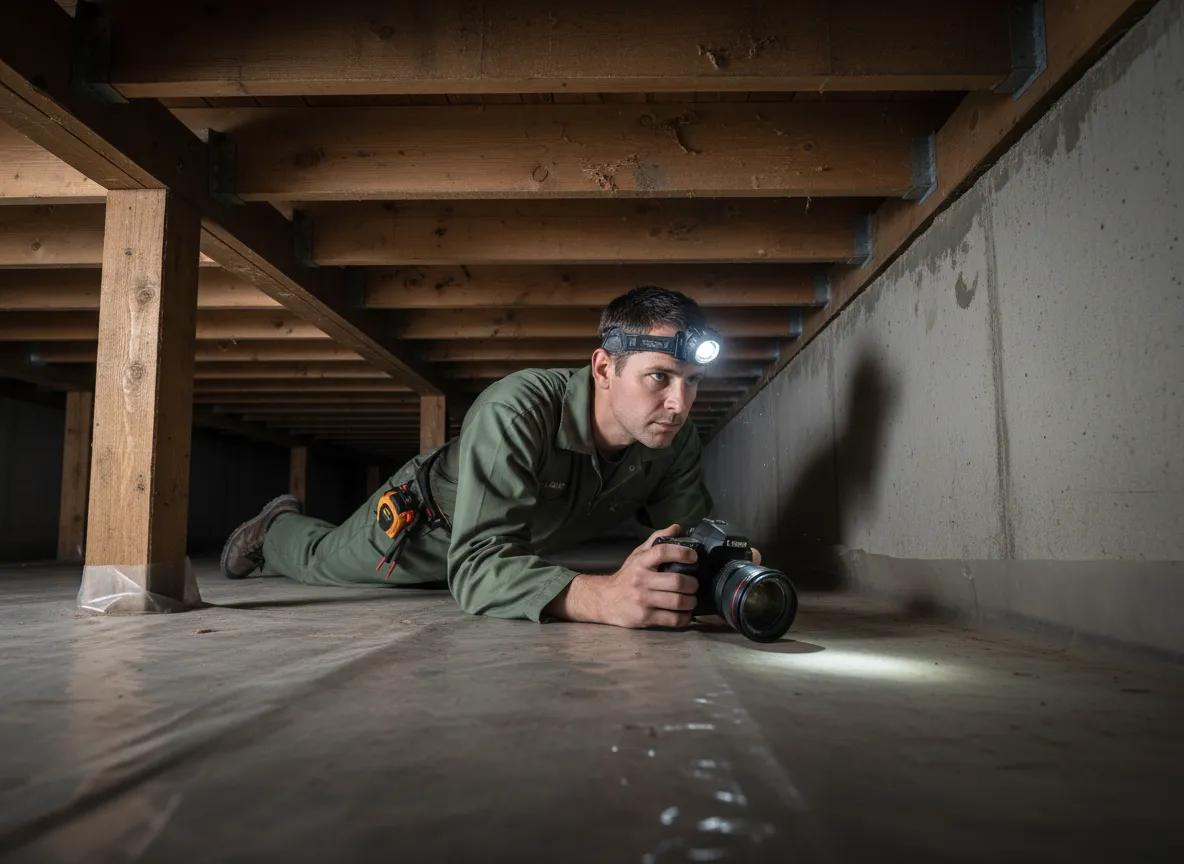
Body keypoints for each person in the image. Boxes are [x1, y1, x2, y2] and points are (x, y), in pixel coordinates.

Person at [219, 285, 756, 629]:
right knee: (322, 564)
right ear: (602, 369)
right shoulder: (518, 410)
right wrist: (603, 598)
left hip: (518, 541)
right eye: (660, 377)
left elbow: (684, 531)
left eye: (692, 383)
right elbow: (474, 566)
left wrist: (722, 567)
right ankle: (275, 528)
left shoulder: (674, 434)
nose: (679, 404)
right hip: (428, 528)